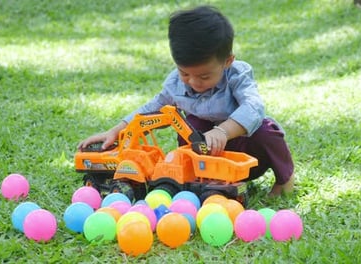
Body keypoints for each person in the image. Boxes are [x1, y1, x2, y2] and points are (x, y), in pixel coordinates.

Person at [77, 5, 294, 197]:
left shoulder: (238, 75)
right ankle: (199, 181)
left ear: (227, 61)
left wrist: (223, 131)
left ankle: (285, 180)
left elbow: (253, 107)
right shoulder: (176, 84)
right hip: (205, 153)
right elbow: (152, 109)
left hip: (246, 151)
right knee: (192, 126)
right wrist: (117, 130)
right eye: (184, 73)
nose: (193, 82)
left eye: (204, 76)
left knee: (267, 130)